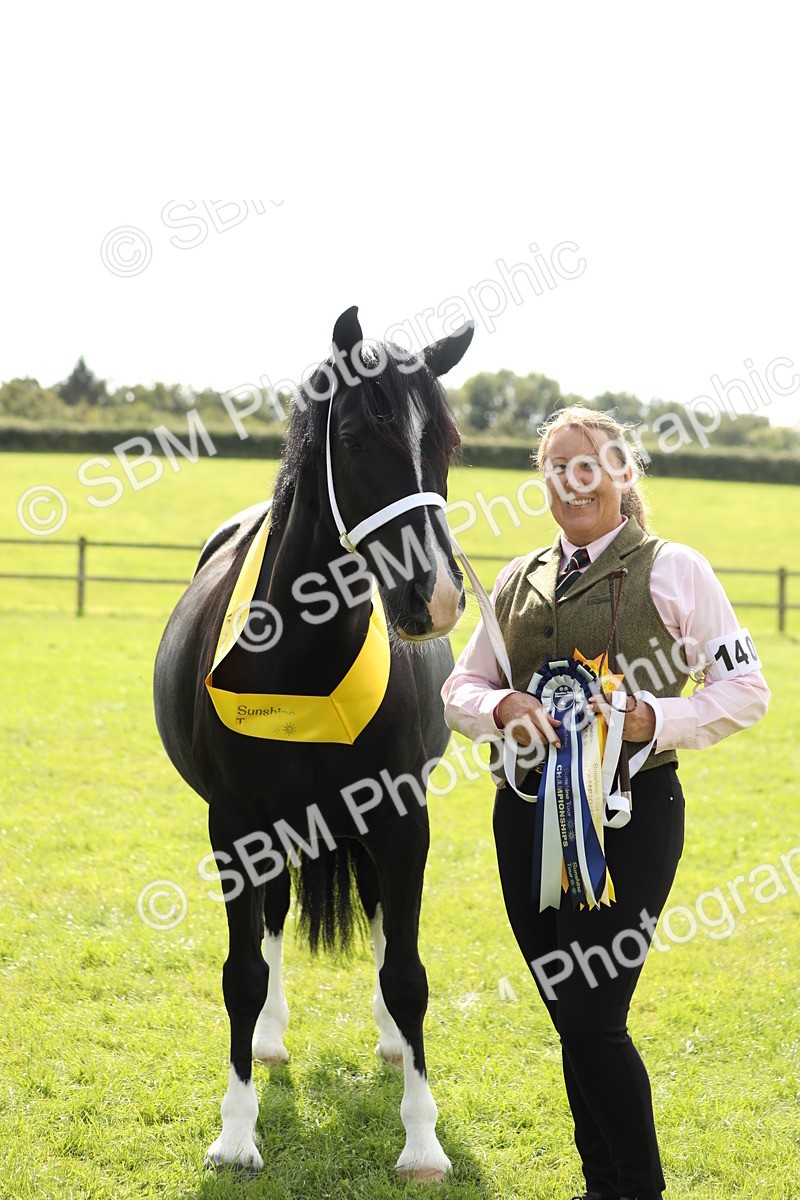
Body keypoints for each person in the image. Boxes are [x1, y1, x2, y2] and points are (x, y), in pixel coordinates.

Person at [441, 406, 770, 1200]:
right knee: (569, 1015)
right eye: (555, 466)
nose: (570, 479)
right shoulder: (518, 579)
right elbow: (460, 685)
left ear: (625, 474)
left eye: (586, 463)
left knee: (592, 1017)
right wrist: (500, 710)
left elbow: (747, 690)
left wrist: (662, 717)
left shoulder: (675, 568)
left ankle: (635, 1190)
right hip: (521, 820)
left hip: (629, 821)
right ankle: (602, 1186)